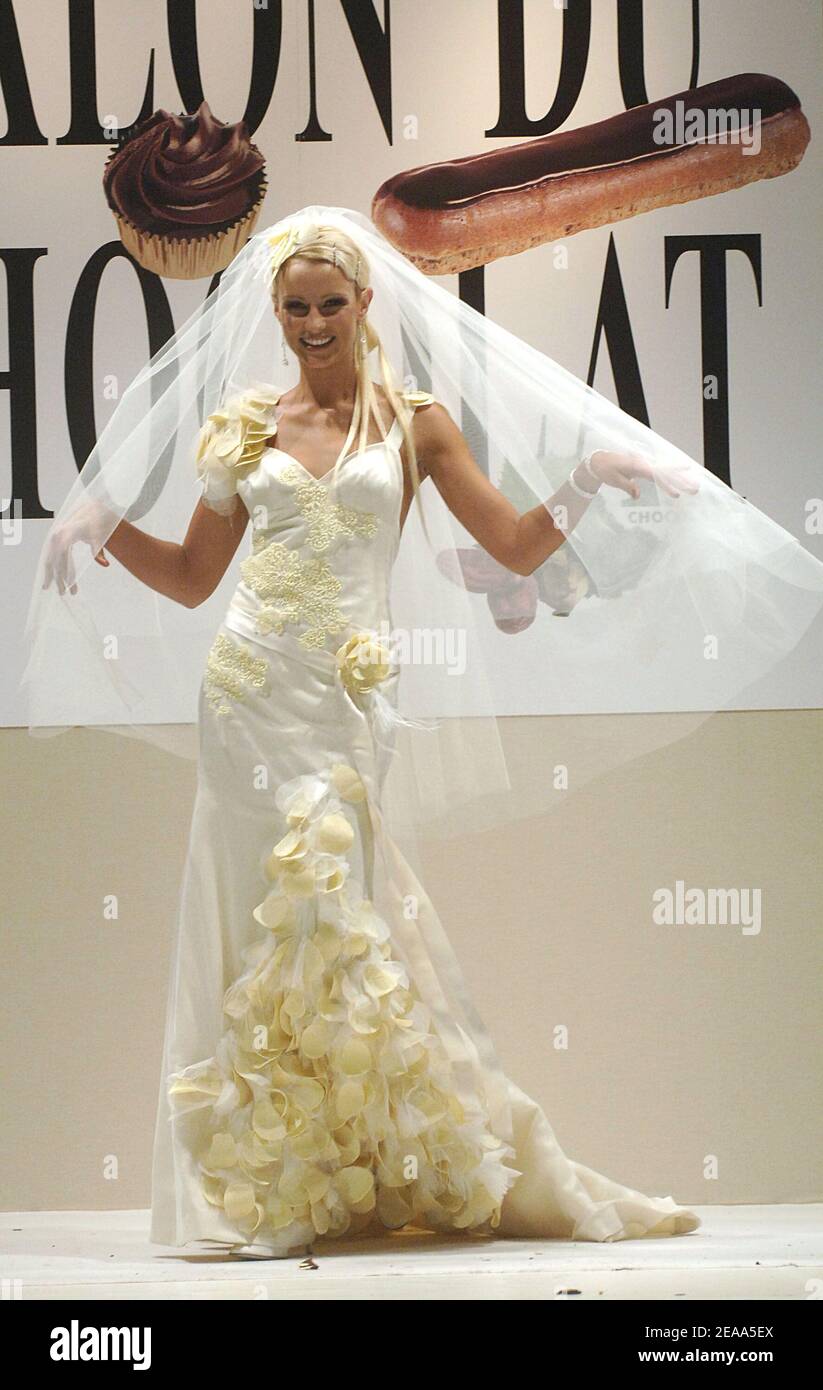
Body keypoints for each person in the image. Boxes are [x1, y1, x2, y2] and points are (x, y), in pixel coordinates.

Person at [23, 207, 823, 1258]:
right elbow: (191, 580)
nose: (314, 322)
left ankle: (356, 1166)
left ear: (363, 303)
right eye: (296, 306)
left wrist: (583, 480)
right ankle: (258, 1188)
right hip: (247, 692)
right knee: (245, 918)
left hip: (345, 704)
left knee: (340, 909)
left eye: (330, 303)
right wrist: (102, 527)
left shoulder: (414, 422)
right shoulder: (247, 426)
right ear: (277, 310)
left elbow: (513, 543)